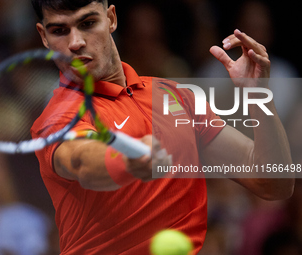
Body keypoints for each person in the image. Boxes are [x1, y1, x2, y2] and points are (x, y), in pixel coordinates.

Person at [30, 0, 295, 254]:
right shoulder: (58, 118)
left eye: (88, 23)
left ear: (111, 18)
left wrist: (257, 96)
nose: (76, 42)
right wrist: (124, 160)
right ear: (44, 37)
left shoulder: (176, 96)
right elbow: (81, 160)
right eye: (60, 31)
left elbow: (273, 183)